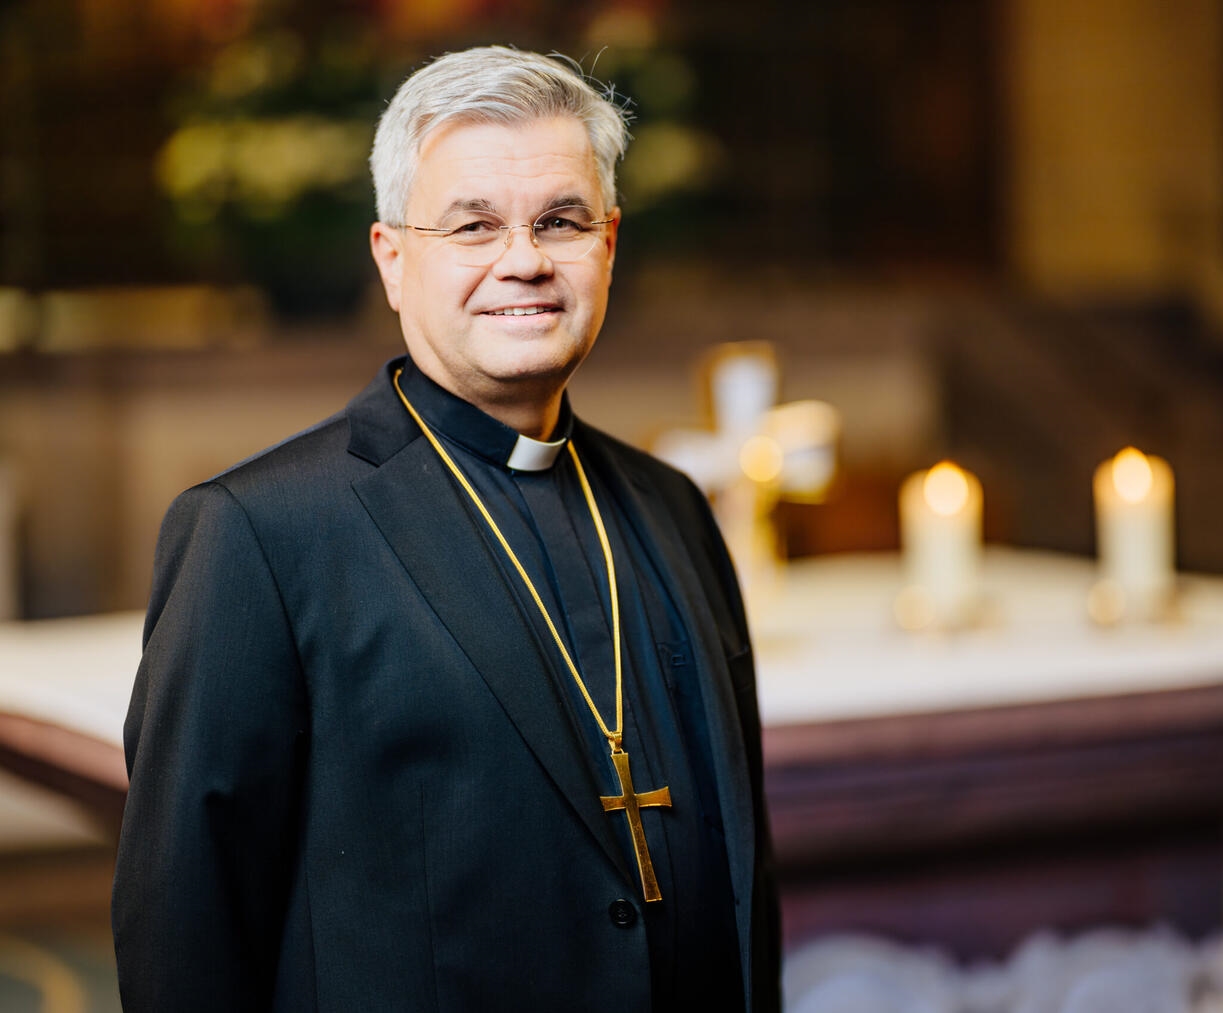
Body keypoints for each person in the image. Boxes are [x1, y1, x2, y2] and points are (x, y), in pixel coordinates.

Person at [111, 45, 781, 1012]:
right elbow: (185, 932)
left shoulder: (671, 506)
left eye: (561, 221)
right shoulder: (260, 533)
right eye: (474, 226)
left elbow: (741, 868)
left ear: (609, 244)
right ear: (393, 259)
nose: (525, 260)